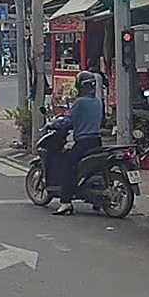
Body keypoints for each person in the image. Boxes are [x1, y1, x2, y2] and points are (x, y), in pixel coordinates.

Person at [48, 71, 105, 216]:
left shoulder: (80, 103)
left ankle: (65, 202)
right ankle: (96, 201)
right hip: (97, 141)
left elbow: (69, 121)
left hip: (83, 142)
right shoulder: (98, 102)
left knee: (66, 165)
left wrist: (54, 124)